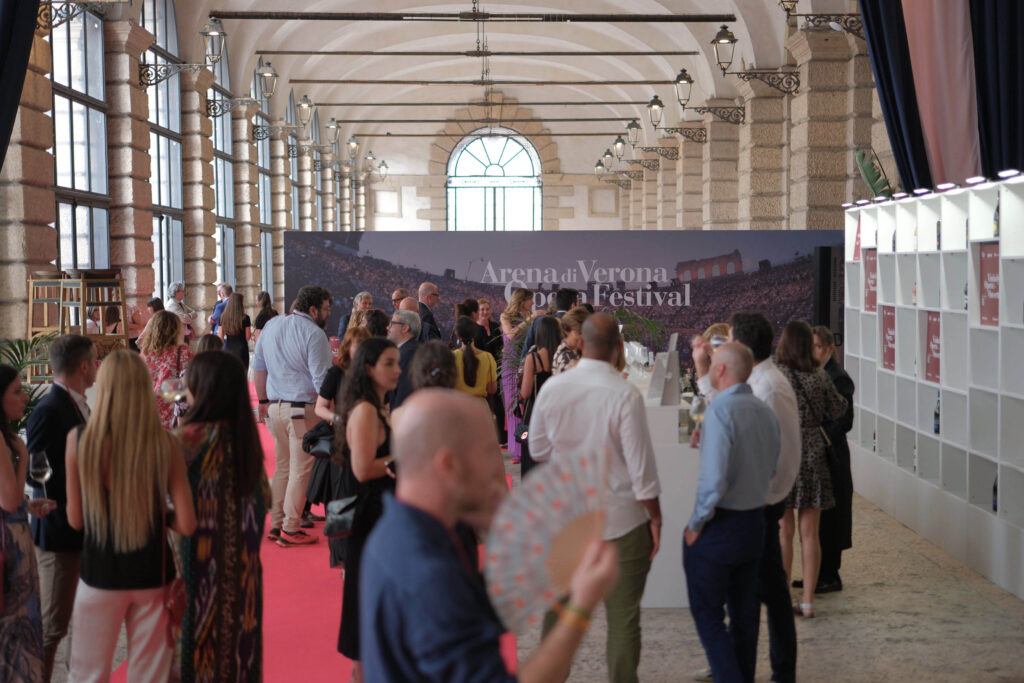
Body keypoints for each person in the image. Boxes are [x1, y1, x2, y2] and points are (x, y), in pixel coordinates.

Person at [360, 388, 621, 683]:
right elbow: (448, 601)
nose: (497, 467)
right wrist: (580, 609)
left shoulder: (397, 529)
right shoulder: (428, 574)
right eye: (488, 453)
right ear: (449, 465)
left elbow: (467, 606)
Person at [529, 313, 662, 683]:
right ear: (619, 347)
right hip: (621, 520)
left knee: (559, 615)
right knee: (623, 619)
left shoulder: (554, 388)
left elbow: (538, 449)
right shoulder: (624, 393)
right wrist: (656, 517)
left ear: (581, 343)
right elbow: (641, 471)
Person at [65, 351, 197, 681]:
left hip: (99, 572)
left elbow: (76, 520)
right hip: (152, 573)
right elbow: (186, 523)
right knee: (150, 676)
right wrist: (159, 513)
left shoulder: (79, 441)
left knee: (87, 674)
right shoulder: (166, 445)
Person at [692, 312, 800, 683]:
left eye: (730, 339)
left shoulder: (767, 387)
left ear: (742, 345)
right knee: (755, 594)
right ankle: (745, 667)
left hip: (759, 504)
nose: (724, 344)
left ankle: (769, 670)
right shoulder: (759, 381)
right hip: (758, 502)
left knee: (757, 595)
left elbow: (767, 452)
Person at [684, 342, 780, 683]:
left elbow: (714, 481)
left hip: (721, 524)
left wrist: (696, 523)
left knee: (707, 613)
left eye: (712, 363)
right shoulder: (765, 412)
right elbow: (770, 468)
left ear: (721, 369)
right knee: (744, 615)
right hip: (754, 523)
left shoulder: (720, 412)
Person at [177, 351, 271, 681]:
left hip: (195, 571)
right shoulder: (245, 441)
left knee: (196, 656)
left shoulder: (186, 441)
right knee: (240, 656)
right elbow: (263, 504)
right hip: (244, 573)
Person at [26, 335, 97, 681]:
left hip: (81, 526)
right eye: (95, 361)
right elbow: (37, 473)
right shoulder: (49, 409)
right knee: (52, 626)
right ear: (84, 367)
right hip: (58, 531)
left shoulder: (77, 403)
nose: (97, 367)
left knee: (78, 620)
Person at [334, 338, 401, 682]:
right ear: (369, 368)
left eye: (397, 363)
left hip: (379, 520)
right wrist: (402, 457)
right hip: (367, 522)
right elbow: (362, 469)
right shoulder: (364, 410)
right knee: (366, 617)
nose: (397, 370)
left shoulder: (377, 407)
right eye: (389, 363)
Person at [775, 321, 848, 618]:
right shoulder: (819, 377)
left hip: (785, 452)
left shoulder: (778, 376)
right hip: (814, 454)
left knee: (784, 531)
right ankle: (807, 601)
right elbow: (839, 409)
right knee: (810, 534)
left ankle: (782, 597)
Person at [253, 285, 333, 547]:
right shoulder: (314, 333)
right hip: (301, 410)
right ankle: (290, 528)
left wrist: (262, 401)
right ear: (313, 310)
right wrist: (330, 410)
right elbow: (321, 380)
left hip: (274, 408)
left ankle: (277, 525)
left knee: (283, 468)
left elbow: (259, 368)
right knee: (300, 471)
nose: (328, 313)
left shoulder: (272, 325)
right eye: (326, 308)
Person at [0, 364, 47, 682]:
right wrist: (25, 458)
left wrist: (27, 505)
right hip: (9, 550)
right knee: (15, 631)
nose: (25, 397)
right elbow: (8, 500)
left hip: (13, 538)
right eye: (17, 392)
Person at [810, 326, 856, 594]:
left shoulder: (838, 377)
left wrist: (820, 437)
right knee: (820, 515)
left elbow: (845, 420)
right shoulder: (815, 373)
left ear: (829, 348)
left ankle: (830, 574)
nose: (813, 352)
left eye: (817, 347)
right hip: (820, 452)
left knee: (833, 515)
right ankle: (816, 572)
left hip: (833, 454)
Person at [519, 316, 561, 477]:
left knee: (533, 459)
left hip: (535, 413)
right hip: (556, 413)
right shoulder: (562, 358)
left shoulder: (533, 358)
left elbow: (525, 392)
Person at [500, 288, 536, 464]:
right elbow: (511, 334)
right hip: (511, 366)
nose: (533, 303)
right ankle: (517, 449)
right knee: (513, 407)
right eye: (530, 300)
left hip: (525, 364)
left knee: (525, 408)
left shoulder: (530, 316)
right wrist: (531, 319)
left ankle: (526, 445)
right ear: (522, 300)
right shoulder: (506, 316)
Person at [139, 310, 192, 429]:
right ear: (176, 330)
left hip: (149, 416)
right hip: (173, 416)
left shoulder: (145, 355)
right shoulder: (183, 352)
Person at [520, 287, 579, 361]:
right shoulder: (574, 324)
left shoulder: (538, 320)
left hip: (540, 364)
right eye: (578, 304)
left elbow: (527, 346)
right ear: (573, 306)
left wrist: (522, 364)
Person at [477, 298, 506, 444]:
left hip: (496, 371)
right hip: (481, 372)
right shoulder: (474, 329)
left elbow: (500, 347)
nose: (485, 312)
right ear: (477, 312)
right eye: (482, 309)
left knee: (499, 405)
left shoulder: (495, 326)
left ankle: (501, 436)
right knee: (485, 405)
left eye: (487, 309)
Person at [452, 316, 497, 400]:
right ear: (475, 333)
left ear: (457, 335)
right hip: (480, 405)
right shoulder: (488, 357)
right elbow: (492, 389)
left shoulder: (451, 357)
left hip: (457, 404)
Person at [386, 309, 421, 411]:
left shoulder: (409, 353)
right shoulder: (405, 350)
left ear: (405, 328)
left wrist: (395, 416)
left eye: (392, 323)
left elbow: (404, 392)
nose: (388, 327)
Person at [217, 292, 252, 371]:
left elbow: (220, 337)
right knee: (242, 373)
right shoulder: (245, 318)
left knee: (229, 373)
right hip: (242, 349)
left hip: (227, 349)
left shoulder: (222, 317)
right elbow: (247, 337)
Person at [552, 307, 590, 375]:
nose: (583, 337)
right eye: (579, 333)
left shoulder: (573, 351)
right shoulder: (566, 358)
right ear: (566, 330)